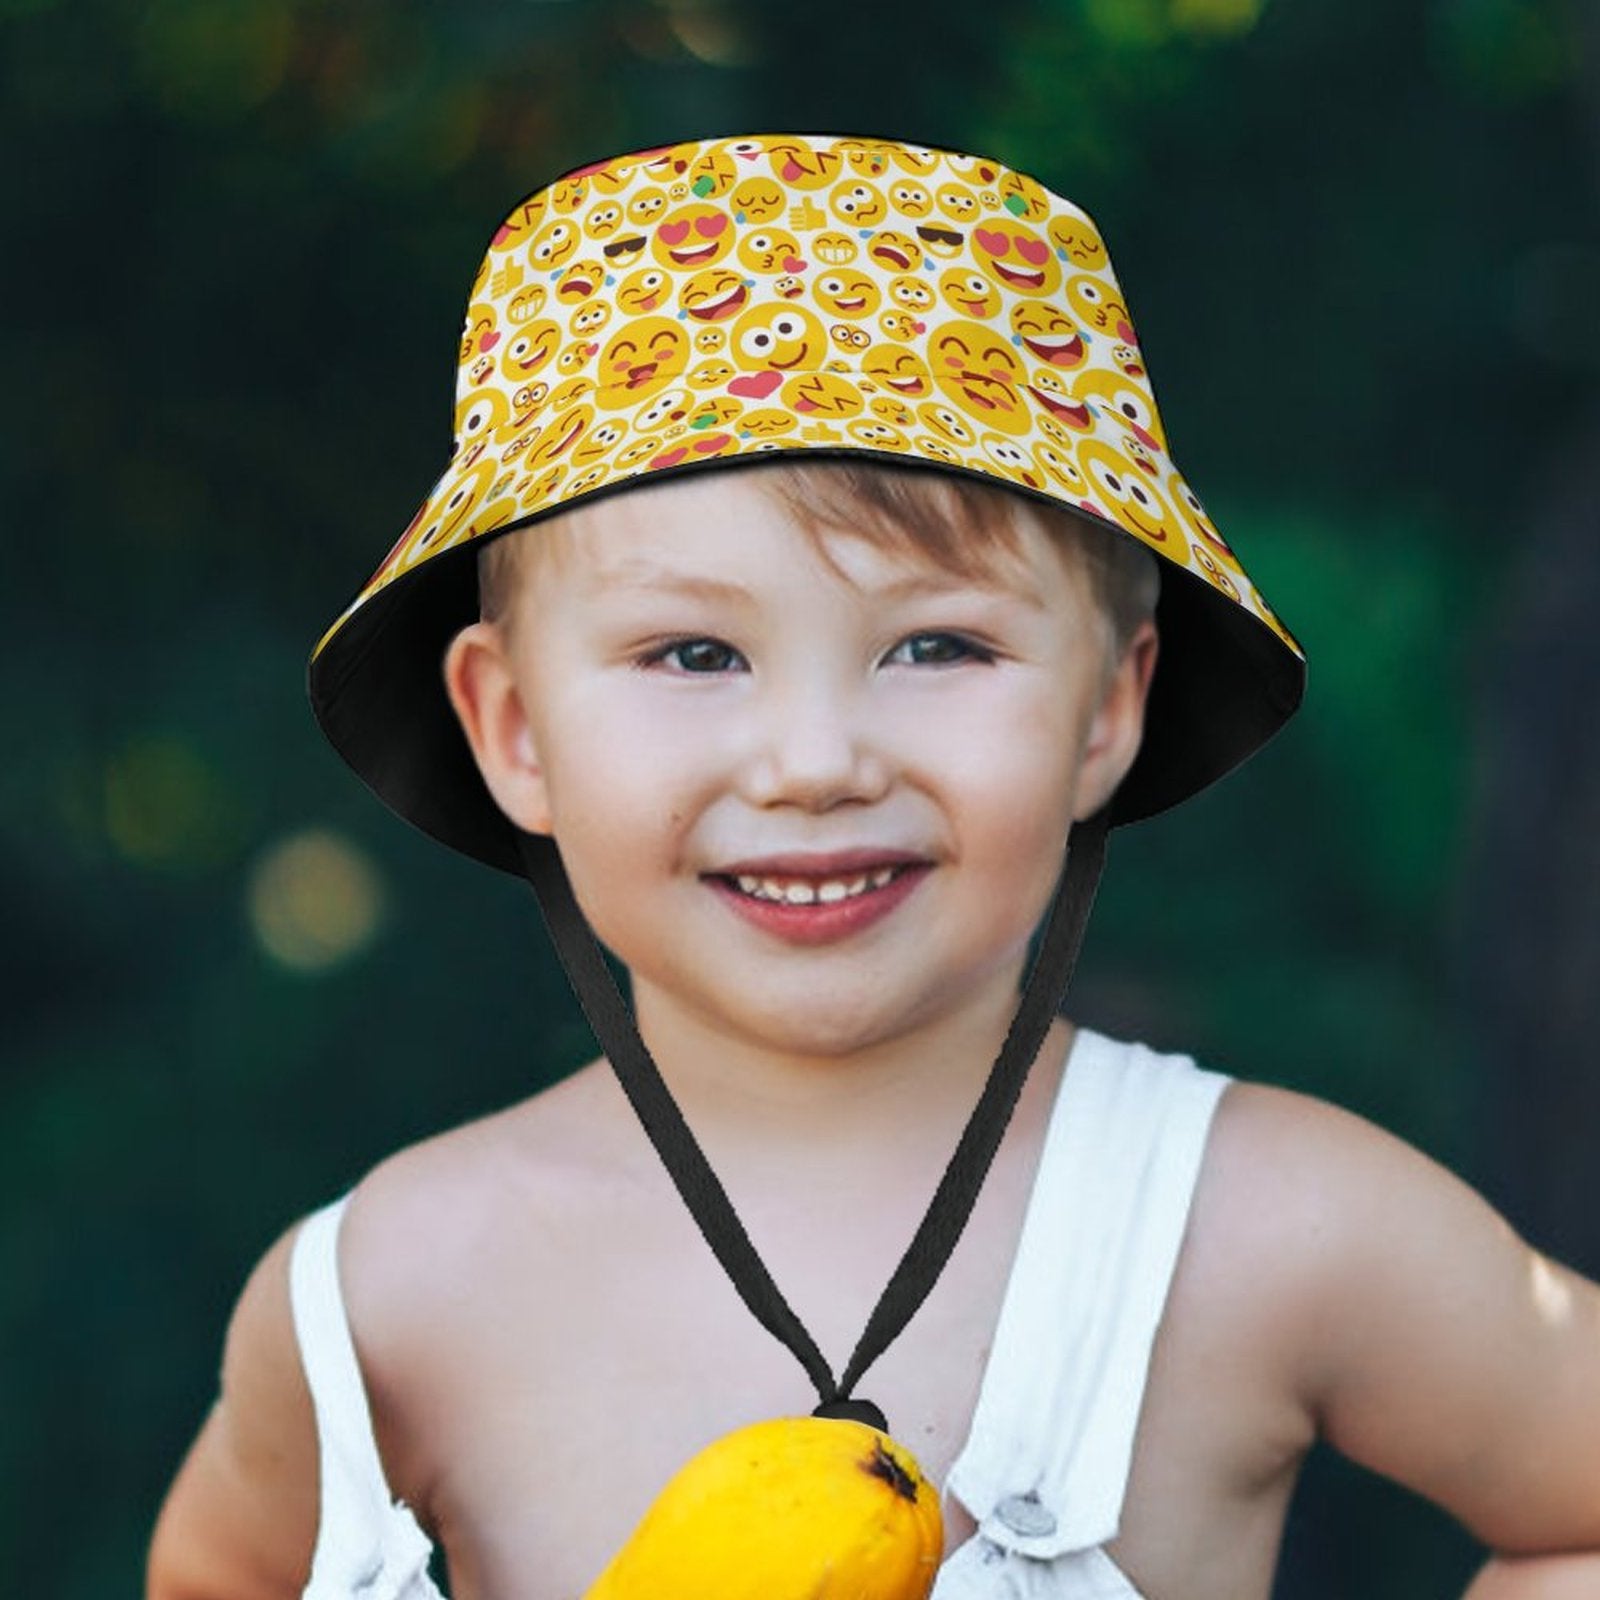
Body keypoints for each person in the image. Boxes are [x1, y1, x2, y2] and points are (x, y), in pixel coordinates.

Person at [146, 134, 1600, 1600]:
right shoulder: (389, 1296)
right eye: (695, 653)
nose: (815, 760)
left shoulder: (1267, 1225)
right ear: (514, 728)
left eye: (937, 646)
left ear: (1107, 709)